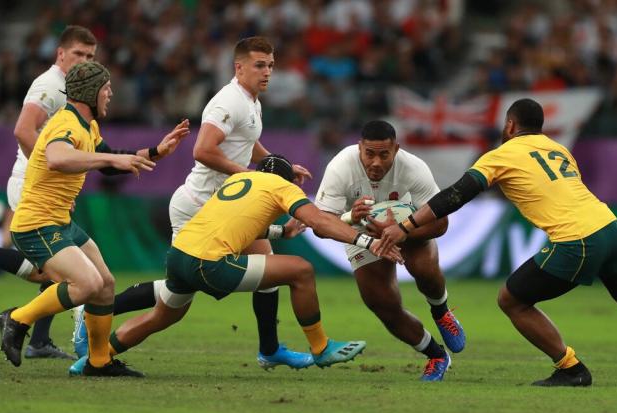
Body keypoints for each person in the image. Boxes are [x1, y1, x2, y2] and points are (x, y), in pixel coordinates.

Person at [379, 98, 617, 387]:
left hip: (577, 239)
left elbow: (456, 195)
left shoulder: (502, 154)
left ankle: (570, 368)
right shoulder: (558, 149)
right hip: (610, 227)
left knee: (512, 300)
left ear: (510, 125)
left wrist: (406, 226)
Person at [70, 36, 315, 373]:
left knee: (266, 271)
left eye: (270, 65)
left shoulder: (251, 102)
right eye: (259, 65)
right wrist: (251, 177)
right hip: (198, 206)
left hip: (218, 207)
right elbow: (202, 150)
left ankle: (270, 349)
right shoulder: (228, 102)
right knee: (174, 300)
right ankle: (96, 310)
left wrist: (278, 165)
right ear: (239, 68)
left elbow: (248, 140)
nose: (267, 72)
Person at [104, 155, 402, 372]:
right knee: (301, 271)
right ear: (287, 179)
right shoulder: (282, 186)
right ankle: (320, 347)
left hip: (178, 255)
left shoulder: (237, 180)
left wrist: (282, 231)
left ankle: (96, 358)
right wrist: (368, 241)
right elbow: (320, 222)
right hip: (208, 262)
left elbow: (241, 226)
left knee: (160, 317)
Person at [0, 61, 191, 377]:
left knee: (105, 285)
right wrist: (112, 158)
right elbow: (57, 158)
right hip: (36, 224)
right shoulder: (66, 124)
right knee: (86, 284)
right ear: (90, 92)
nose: (110, 94)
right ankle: (17, 319)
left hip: (60, 221)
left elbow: (111, 164)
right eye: (106, 88)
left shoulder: (87, 126)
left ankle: (98, 362)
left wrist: (157, 150)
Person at [0, 26, 98, 360]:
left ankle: (39, 341)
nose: (84, 61)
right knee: (53, 270)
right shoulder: (50, 85)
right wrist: (49, 174)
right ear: (60, 53)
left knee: (58, 267)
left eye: (90, 56)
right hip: (33, 184)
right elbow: (23, 130)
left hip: (46, 186)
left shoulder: (73, 90)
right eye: (79, 54)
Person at [315, 120, 465, 382]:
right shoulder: (340, 167)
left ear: (396, 149)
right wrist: (350, 217)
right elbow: (320, 225)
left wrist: (402, 230)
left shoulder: (413, 168)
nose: (376, 162)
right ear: (359, 148)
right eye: (369, 154)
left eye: (384, 154)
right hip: (362, 233)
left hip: (406, 224)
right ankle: (437, 355)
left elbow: (441, 223)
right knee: (381, 304)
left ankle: (441, 311)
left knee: (424, 269)